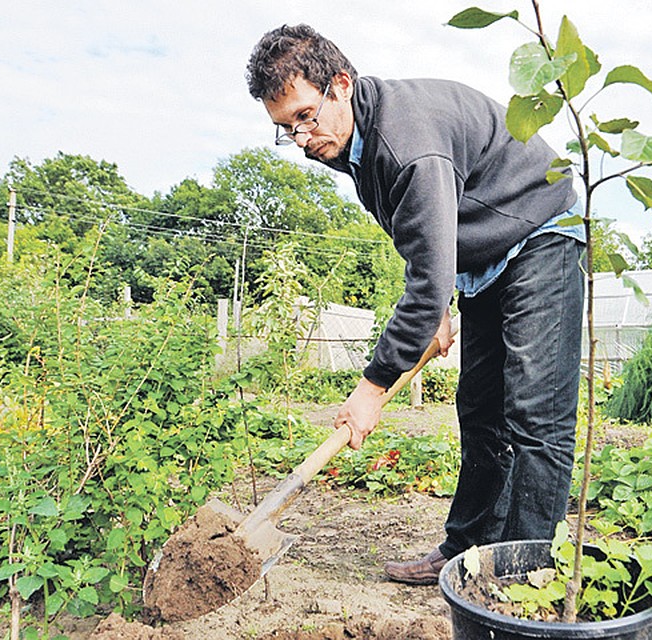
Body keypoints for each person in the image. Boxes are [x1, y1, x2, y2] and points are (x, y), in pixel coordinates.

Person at [246, 24, 584, 585]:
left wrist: (372, 388)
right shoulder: (350, 143)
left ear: (341, 85)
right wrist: (441, 304)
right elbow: (421, 236)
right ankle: (465, 550)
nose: (301, 137)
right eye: (285, 128)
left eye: (305, 116)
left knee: (533, 415)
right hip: (482, 253)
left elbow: (425, 275)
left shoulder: (406, 141)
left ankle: (525, 578)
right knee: (479, 410)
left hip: (538, 230)